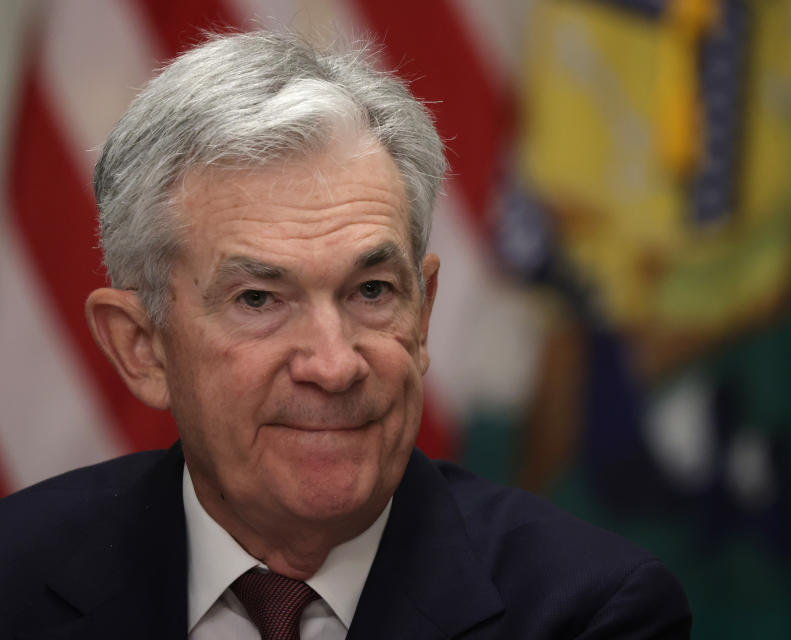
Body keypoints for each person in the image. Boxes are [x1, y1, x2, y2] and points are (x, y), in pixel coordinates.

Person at [0, 31, 691, 639]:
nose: (333, 367)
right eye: (260, 299)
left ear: (421, 316)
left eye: (371, 292)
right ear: (140, 345)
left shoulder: (590, 612)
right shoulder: (15, 576)